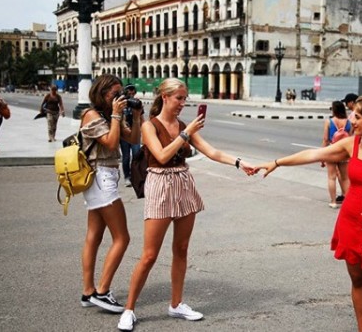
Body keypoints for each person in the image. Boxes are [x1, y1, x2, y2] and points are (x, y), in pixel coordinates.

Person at [255, 94, 362, 332]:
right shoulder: (351, 145)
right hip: (350, 222)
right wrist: (277, 162)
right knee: (358, 281)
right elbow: (313, 154)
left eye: (358, 117)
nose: (352, 121)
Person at [117, 78, 256, 331]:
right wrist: (185, 133)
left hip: (183, 184)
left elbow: (211, 152)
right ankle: (129, 309)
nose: (183, 103)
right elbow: (160, 155)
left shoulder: (183, 125)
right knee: (149, 255)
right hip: (160, 186)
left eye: (185, 98)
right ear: (165, 97)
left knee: (181, 249)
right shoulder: (151, 126)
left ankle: (176, 303)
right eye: (179, 98)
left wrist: (239, 162)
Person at [78, 75, 142, 315]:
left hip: (104, 177)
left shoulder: (107, 116)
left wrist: (135, 117)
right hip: (100, 177)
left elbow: (133, 139)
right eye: (113, 94)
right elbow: (112, 143)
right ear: (101, 93)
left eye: (120, 94)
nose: (118, 98)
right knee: (122, 238)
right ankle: (102, 292)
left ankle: (88, 291)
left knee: (94, 235)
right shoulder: (91, 115)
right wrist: (116, 114)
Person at [323, 101, 352, 208]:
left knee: (332, 177)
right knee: (345, 178)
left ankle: (333, 201)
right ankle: (349, 201)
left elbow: (325, 139)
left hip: (331, 150)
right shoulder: (349, 122)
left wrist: (322, 154)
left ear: (334, 110)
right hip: (344, 151)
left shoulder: (329, 122)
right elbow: (351, 137)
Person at [120, 84, 141, 188]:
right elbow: (119, 118)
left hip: (135, 133)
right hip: (124, 135)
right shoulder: (121, 103)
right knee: (126, 156)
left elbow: (141, 118)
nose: (131, 95)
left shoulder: (136, 103)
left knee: (136, 155)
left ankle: (135, 176)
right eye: (129, 93)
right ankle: (127, 176)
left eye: (133, 93)